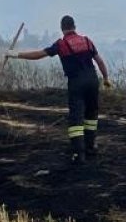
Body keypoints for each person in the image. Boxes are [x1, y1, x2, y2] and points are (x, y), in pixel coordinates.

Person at [6, 15, 110, 164]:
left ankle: (78, 154)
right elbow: (99, 61)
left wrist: (15, 55)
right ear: (75, 26)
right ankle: (91, 147)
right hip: (93, 81)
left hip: (76, 82)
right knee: (91, 115)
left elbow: (39, 55)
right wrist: (106, 79)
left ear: (62, 29)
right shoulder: (87, 41)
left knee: (76, 119)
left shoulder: (61, 44)